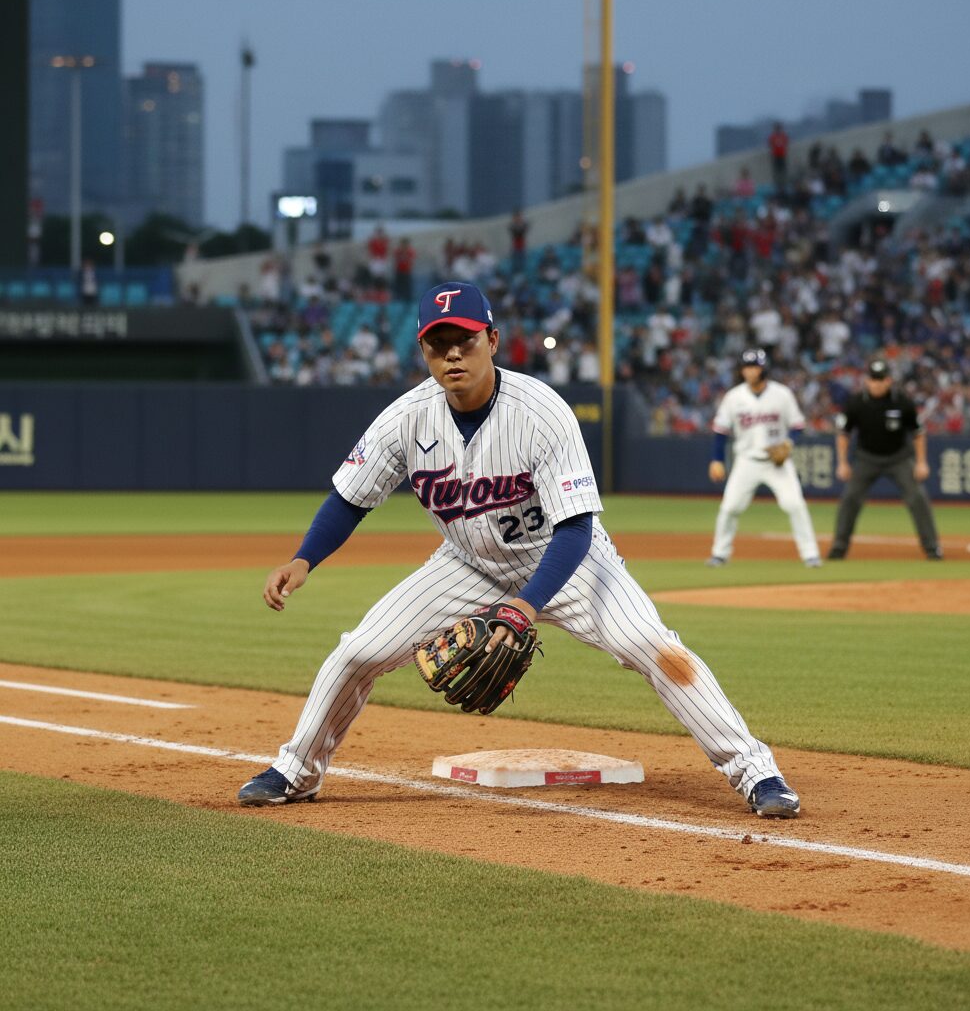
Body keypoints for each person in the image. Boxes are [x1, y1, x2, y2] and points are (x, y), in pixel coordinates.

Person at [237, 281, 802, 818]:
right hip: (467, 565)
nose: (453, 355)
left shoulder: (541, 411)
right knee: (358, 652)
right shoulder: (405, 419)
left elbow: (576, 530)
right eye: (439, 344)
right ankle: (296, 771)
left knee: (652, 645)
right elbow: (349, 499)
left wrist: (525, 606)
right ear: (423, 352)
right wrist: (303, 558)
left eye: (465, 341)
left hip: (568, 560)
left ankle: (756, 771)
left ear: (493, 340)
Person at [706, 348, 822, 568]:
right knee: (729, 508)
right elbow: (721, 431)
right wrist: (717, 459)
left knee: (795, 505)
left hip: (777, 463)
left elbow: (797, 425)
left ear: (764, 368)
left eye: (754, 366)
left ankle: (810, 554)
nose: (750, 371)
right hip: (746, 461)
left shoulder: (782, 394)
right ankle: (719, 554)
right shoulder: (734, 397)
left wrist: (788, 443)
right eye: (747, 367)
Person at [827, 358, 942, 561]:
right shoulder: (856, 402)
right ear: (867, 380)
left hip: (898, 458)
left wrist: (922, 462)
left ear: (889, 380)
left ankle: (932, 548)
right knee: (850, 498)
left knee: (917, 497)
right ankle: (839, 547)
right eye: (873, 379)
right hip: (866, 458)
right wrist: (843, 462)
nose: (876, 384)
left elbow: (918, 432)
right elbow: (843, 433)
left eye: (881, 379)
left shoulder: (902, 401)